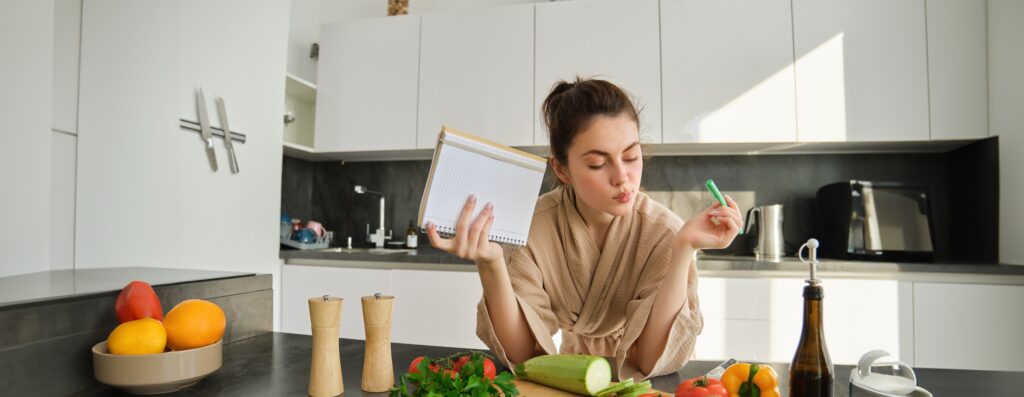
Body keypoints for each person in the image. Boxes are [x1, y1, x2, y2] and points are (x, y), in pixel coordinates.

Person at [425, 77, 743, 380]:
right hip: (569, 373)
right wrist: (491, 263)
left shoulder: (663, 232)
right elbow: (522, 355)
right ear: (562, 169)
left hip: (633, 383)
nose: (623, 177)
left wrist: (684, 247)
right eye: (597, 163)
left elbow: (649, 360)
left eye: (631, 156)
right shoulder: (533, 226)